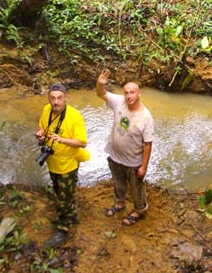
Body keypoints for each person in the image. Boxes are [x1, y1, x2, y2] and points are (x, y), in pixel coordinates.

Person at [96, 69, 154, 226]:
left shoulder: (146, 117)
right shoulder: (119, 101)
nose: (129, 96)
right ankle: (120, 203)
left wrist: (144, 166)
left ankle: (139, 210)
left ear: (139, 94)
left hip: (133, 161)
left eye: (132, 93)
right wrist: (100, 84)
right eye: (126, 93)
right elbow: (101, 94)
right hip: (115, 156)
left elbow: (148, 143)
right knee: (118, 183)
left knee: (137, 189)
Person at [35, 82, 89, 248]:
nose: (55, 102)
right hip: (52, 163)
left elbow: (82, 142)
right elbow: (42, 126)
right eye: (52, 98)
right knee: (60, 192)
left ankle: (62, 229)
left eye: (59, 98)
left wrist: (62, 140)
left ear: (65, 98)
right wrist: (41, 133)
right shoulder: (46, 110)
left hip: (68, 165)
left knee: (63, 198)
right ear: (48, 99)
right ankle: (72, 215)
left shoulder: (74, 116)